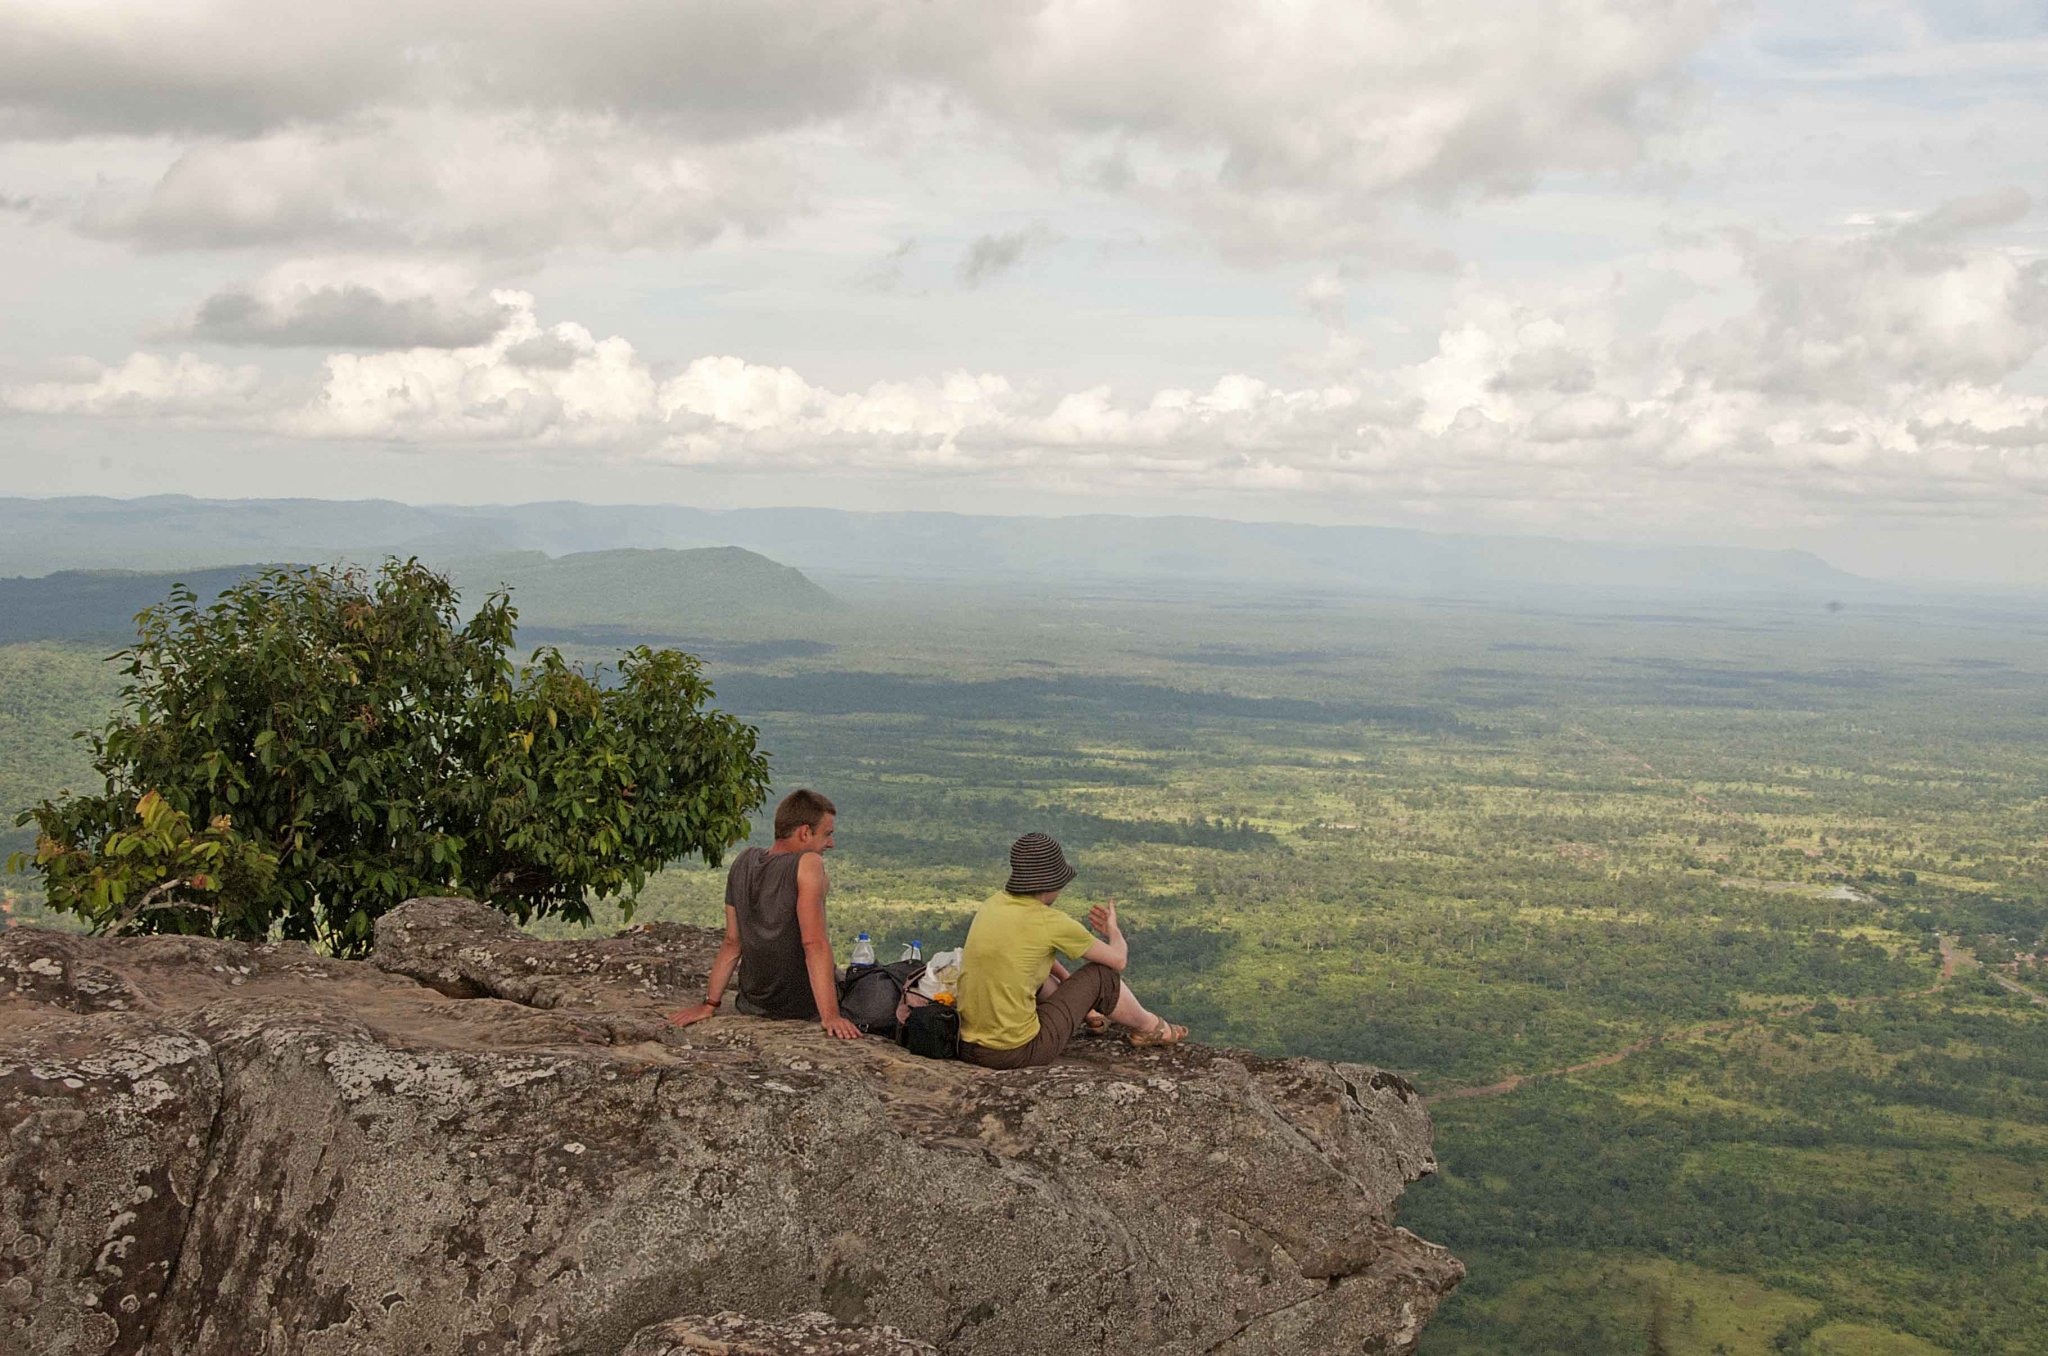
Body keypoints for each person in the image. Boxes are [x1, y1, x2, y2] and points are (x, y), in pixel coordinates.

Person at [957, 831, 1186, 1069]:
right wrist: (1113, 932)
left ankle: (1092, 1015)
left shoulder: (993, 904)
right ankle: (1152, 1028)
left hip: (966, 1045)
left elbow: (1035, 959)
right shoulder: (1049, 921)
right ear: (1052, 883)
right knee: (1102, 976)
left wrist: (1077, 995)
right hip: (1015, 1053)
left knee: (1028, 969)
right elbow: (1118, 961)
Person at [669, 788, 860, 1040]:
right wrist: (830, 1016)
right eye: (827, 834)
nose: (830, 843)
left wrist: (709, 1004)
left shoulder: (744, 861)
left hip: (751, 1006)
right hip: (801, 1009)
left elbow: (732, 942)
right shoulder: (808, 863)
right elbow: (814, 943)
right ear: (804, 832)